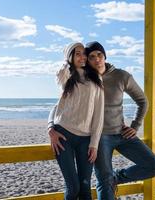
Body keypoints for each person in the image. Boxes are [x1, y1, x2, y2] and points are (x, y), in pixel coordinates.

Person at [48, 41, 155, 200]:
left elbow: (143, 101)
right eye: (92, 56)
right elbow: (62, 104)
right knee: (103, 181)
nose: (96, 59)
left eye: (99, 55)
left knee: (154, 166)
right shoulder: (83, 78)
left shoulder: (121, 76)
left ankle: (117, 177)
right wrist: (51, 127)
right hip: (99, 137)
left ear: (105, 56)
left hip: (122, 133)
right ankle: (109, 180)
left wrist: (135, 126)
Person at [48, 42, 104, 200]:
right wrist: (50, 129)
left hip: (85, 139)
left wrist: (94, 144)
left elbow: (98, 114)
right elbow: (57, 105)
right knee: (73, 188)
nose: (83, 57)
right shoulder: (67, 76)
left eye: (83, 53)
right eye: (77, 53)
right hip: (63, 135)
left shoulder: (96, 78)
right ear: (70, 57)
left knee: (85, 187)